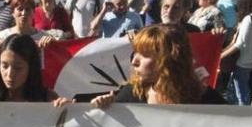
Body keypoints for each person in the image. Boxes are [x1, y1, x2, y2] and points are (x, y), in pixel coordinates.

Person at [91, 25, 226, 106]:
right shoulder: (131, 94)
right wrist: (105, 107)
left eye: (145, 55)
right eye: (135, 52)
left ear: (169, 60)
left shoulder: (207, 100)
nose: (134, 62)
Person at [0, 34, 69, 108]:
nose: (9, 75)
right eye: (4, 66)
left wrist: (69, 111)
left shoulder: (48, 98)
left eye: (18, 68)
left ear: (31, 68)